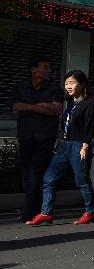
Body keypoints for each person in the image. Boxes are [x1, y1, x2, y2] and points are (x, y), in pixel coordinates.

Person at [27, 70, 94, 225]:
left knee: (82, 180)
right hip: (64, 145)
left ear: (83, 84)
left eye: (72, 83)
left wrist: (85, 146)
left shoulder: (89, 102)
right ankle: (46, 213)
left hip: (79, 145)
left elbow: (89, 126)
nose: (68, 86)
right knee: (48, 178)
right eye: (66, 83)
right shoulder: (71, 103)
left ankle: (91, 211)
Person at [11, 55, 64, 222]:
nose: (48, 70)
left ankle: (30, 210)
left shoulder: (54, 89)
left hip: (45, 136)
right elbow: (16, 108)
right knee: (26, 173)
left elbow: (55, 110)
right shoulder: (21, 87)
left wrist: (30, 108)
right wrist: (40, 106)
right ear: (33, 69)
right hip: (26, 135)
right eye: (45, 67)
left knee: (36, 171)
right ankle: (37, 206)